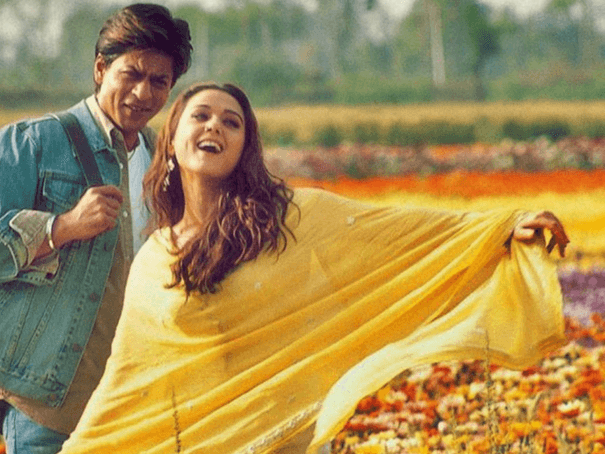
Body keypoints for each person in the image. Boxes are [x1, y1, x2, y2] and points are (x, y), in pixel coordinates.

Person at [58, 82, 570, 454]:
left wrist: (503, 228)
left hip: (283, 436)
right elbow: (128, 378)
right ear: (171, 141)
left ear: (244, 149)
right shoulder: (154, 258)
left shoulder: (292, 219)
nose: (215, 126)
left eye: (232, 122)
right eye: (201, 116)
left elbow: (400, 233)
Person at [0, 3, 192, 453]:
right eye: (131, 74)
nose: (143, 92)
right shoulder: (32, 142)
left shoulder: (165, 162)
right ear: (100, 69)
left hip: (133, 401)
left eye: (159, 81)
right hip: (47, 403)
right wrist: (59, 228)